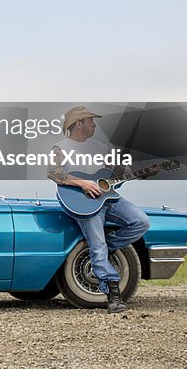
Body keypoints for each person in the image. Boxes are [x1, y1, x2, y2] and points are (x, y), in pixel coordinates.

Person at [48, 105, 155, 313]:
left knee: (141, 222)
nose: (94, 125)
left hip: (108, 198)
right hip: (83, 202)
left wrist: (140, 172)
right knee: (97, 245)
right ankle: (113, 295)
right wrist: (83, 183)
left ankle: (109, 246)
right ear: (79, 124)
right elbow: (53, 174)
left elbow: (115, 174)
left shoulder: (99, 147)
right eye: (91, 121)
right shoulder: (60, 148)